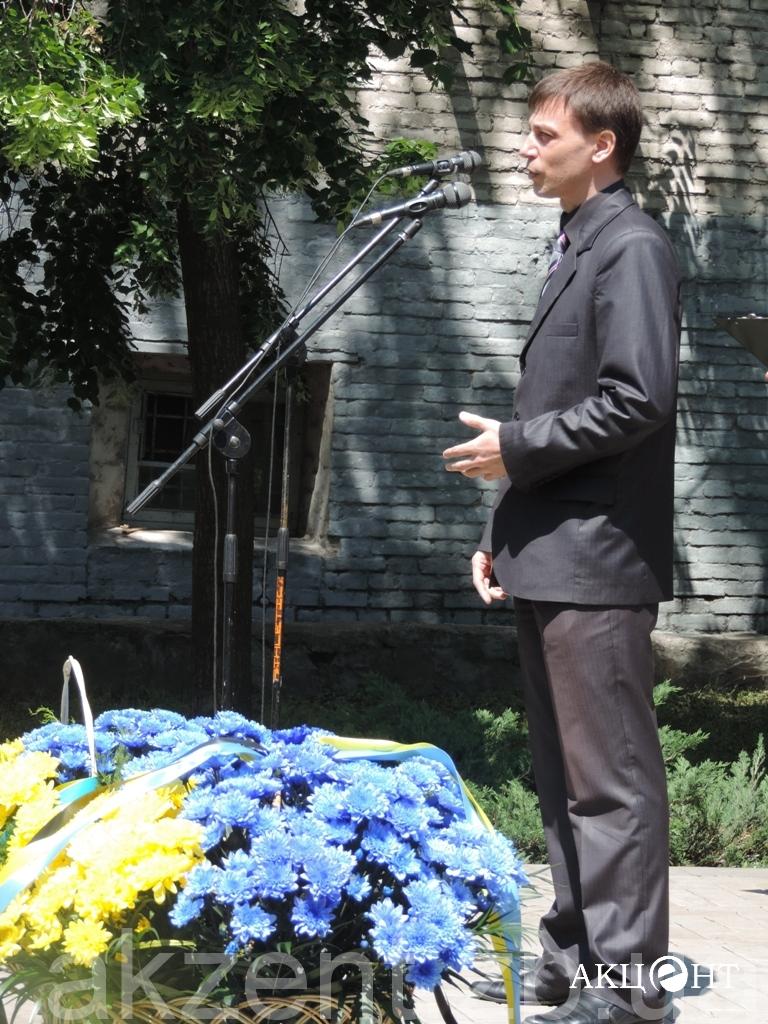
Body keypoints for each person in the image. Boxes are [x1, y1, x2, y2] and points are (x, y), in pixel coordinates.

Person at [442, 62, 681, 1024]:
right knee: (564, 781)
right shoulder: (577, 242)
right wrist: (502, 529)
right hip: (550, 551)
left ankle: (628, 990)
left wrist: (514, 449)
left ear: (601, 144)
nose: (525, 150)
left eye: (544, 135)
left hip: (598, 561)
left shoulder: (632, 247)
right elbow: (558, 407)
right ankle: (571, 958)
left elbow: (636, 399)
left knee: (609, 784)